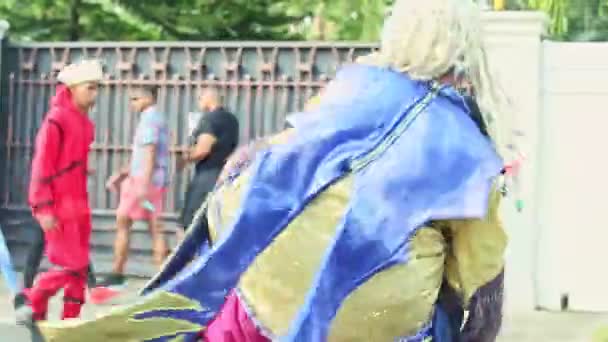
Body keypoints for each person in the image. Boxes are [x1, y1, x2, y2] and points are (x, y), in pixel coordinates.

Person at [34, 0, 510, 340]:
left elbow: (260, 163)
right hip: (374, 321)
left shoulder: (349, 88)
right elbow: (481, 277)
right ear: (469, 56)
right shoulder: (468, 144)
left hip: (258, 306)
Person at [15, 59, 101, 324]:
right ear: (73, 88)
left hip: (78, 202)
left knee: (79, 267)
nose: (95, 94)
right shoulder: (56, 119)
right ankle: (32, 300)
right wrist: (42, 206)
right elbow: (42, 164)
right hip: (58, 202)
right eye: (90, 88)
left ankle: (69, 321)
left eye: (97, 88)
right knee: (71, 265)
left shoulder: (86, 124)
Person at [95, 85, 170, 290]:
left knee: (125, 221)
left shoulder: (150, 119)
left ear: (148, 98)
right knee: (154, 226)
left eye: (135, 99)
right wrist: (121, 174)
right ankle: (162, 277)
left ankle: (119, 271)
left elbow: (150, 153)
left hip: (143, 183)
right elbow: (142, 155)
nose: (131, 104)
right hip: (150, 182)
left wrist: (142, 185)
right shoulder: (155, 119)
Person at [176, 87, 239, 242]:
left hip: (207, 176)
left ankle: (184, 264)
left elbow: (203, 150)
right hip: (225, 175)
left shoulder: (209, 119)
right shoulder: (232, 120)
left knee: (187, 224)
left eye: (199, 98)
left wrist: (185, 157)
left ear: (208, 98)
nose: (198, 102)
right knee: (215, 225)